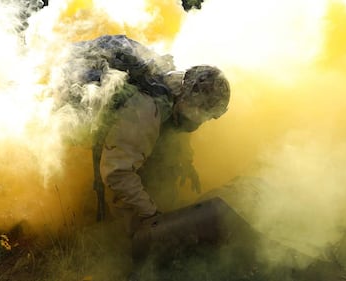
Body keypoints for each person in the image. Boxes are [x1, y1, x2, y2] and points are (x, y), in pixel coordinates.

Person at [60, 35, 230, 234]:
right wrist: (151, 216)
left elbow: (175, 131)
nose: (204, 121)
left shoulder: (176, 84)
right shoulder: (146, 109)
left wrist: (187, 161)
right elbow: (117, 174)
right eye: (206, 114)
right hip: (74, 113)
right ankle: (120, 238)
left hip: (127, 129)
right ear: (194, 106)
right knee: (132, 193)